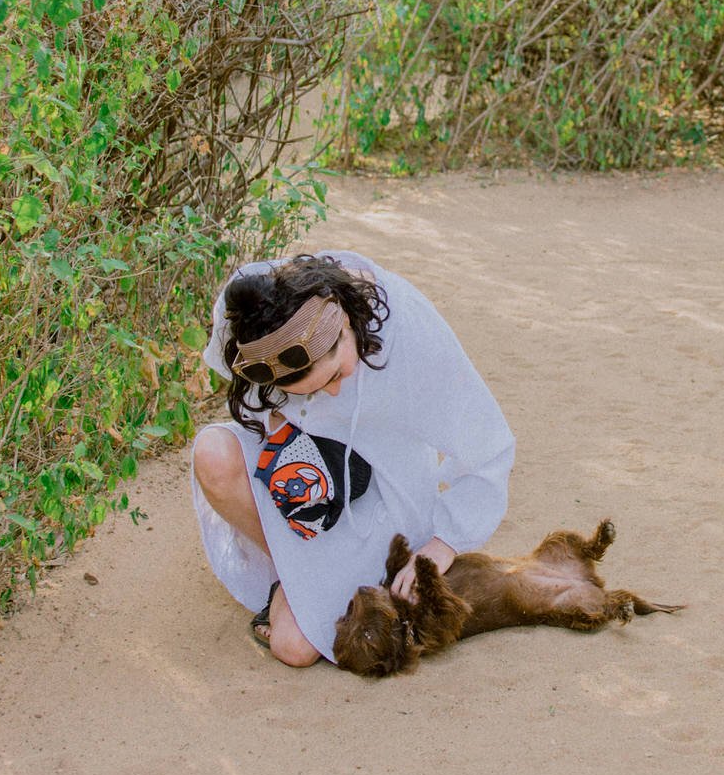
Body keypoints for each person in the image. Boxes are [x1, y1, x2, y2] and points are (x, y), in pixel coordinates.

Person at [190, 251, 514, 667]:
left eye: (336, 375)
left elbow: (489, 445)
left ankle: (301, 585)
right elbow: (231, 367)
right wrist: (280, 422)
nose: (333, 394)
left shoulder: (411, 333)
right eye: (309, 389)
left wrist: (442, 545)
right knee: (213, 454)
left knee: (294, 648)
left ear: (345, 321)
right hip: (296, 468)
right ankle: (286, 572)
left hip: (382, 491)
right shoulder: (252, 309)